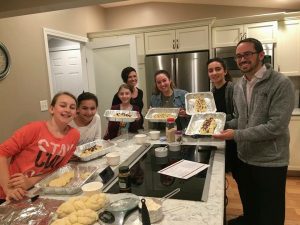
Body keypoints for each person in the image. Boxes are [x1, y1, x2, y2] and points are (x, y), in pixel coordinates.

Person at [213, 38, 295, 225]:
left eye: (247, 54)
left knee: (270, 214)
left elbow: (275, 127)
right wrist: (221, 125)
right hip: (244, 157)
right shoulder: (239, 85)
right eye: (238, 56)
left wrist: (235, 135)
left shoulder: (281, 83)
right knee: (250, 205)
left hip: (270, 161)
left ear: (260, 55)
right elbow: (241, 120)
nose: (242, 59)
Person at [0, 92, 80, 203]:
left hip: (37, 190)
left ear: (75, 113)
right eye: (62, 105)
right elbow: (1, 153)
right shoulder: (34, 129)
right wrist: (8, 189)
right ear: (52, 109)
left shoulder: (74, 135)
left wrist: (31, 181)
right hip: (10, 192)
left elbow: (58, 169)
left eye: (72, 107)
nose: (67, 109)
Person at [207, 58, 238, 178]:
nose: (214, 73)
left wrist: (218, 121)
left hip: (232, 138)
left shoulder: (233, 89)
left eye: (218, 69)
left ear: (225, 71)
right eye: (210, 70)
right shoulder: (212, 92)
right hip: (218, 136)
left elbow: (237, 116)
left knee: (236, 173)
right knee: (220, 172)